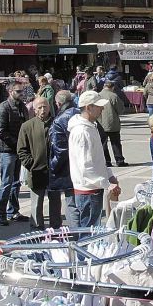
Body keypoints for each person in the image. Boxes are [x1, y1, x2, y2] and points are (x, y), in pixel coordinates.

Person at [67, 91, 120, 227]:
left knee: (92, 230)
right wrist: (107, 183)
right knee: (89, 233)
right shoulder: (82, 131)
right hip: (88, 189)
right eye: (98, 106)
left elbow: (97, 159)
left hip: (92, 187)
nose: (102, 109)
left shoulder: (90, 127)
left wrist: (109, 175)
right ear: (88, 107)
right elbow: (86, 166)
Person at [0, 80, 30, 226]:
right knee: (6, 183)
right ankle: (1, 213)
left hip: (18, 150)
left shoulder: (22, 107)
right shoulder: (3, 107)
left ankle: (13, 211)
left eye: (22, 91)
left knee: (16, 182)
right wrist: (17, 143)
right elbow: (0, 131)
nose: (21, 94)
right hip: (8, 150)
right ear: (10, 92)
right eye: (18, 91)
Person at [18, 96, 55, 229]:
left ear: (49, 107)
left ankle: (56, 231)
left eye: (45, 106)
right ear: (34, 109)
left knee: (55, 203)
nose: (43, 109)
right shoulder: (27, 126)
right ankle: (37, 231)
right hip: (36, 172)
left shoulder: (56, 124)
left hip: (54, 172)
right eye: (39, 107)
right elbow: (21, 150)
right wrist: (31, 165)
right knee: (36, 204)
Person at [49, 90, 79, 226]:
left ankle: (77, 238)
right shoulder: (80, 114)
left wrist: (52, 166)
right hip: (79, 164)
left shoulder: (60, 119)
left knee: (71, 205)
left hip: (66, 167)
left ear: (59, 103)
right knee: (76, 204)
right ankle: (81, 236)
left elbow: (60, 150)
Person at [98, 82, 128, 167]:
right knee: (116, 143)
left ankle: (106, 161)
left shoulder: (98, 96)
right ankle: (119, 160)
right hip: (112, 123)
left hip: (100, 123)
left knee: (103, 143)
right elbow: (120, 110)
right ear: (112, 87)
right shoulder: (113, 96)